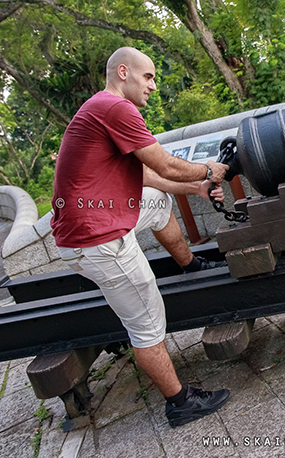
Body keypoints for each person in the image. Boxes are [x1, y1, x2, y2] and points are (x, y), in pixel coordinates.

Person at [50, 47, 231, 428]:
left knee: (156, 201)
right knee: (147, 321)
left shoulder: (101, 109)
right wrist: (209, 169)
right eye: (147, 77)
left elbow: (148, 176)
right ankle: (179, 402)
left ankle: (190, 264)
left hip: (86, 227)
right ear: (122, 72)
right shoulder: (116, 108)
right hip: (98, 238)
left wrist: (198, 187)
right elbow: (165, 162)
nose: (152, 85)